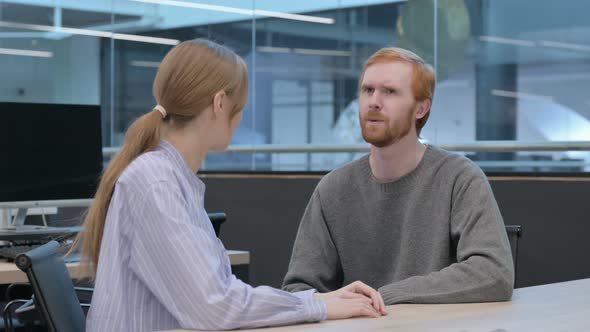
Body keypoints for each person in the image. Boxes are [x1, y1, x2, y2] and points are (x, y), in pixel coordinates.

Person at [74, 39, 387, 332]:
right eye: (241, 109)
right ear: (220, 103)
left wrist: (320, 300)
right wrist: (316, 307)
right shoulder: (155, 182)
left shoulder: (171, 178)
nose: (240, 121)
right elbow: (214, 306)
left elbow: (218, 294)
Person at [282, 47, 514, 305]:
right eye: (367, 90)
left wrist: (384, 297)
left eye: (389, 92)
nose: (374, 101)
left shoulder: (459, 178)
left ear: (421, 108)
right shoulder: (333, 189)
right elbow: (298, 290)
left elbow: (494, 273)